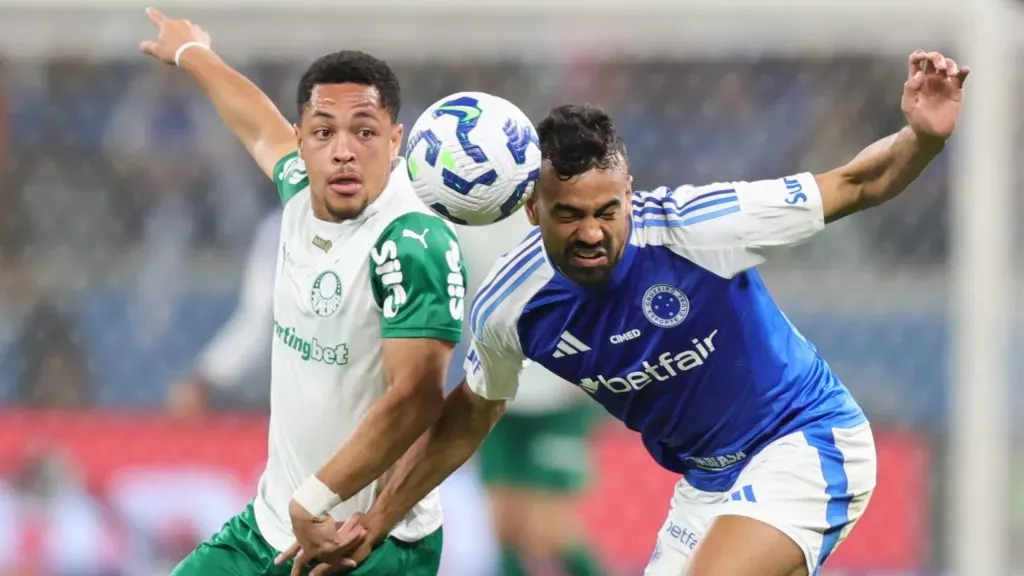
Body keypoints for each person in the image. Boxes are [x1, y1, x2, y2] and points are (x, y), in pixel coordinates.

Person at [333, 50, 969, 576]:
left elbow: (855, 183)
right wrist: (376, 521)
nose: (591, 233)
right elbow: (470, 413)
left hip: (805, 439)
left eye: (607, 211)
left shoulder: (700, 228)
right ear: (531, 210)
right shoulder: (510, 306)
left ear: (630, 194)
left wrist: (922, 137)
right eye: (568, 215)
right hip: (706, 485)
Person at [139, 9, 468, 576]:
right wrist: (192, 53)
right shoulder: (297, 191)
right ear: (301, 140)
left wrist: (315, 500)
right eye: (324, 132)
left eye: (365, 132)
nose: (343, 150)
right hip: (272, 524)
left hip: (366, 543)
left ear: (396, 141)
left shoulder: (412, 242)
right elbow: (255, 122)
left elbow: (417, 397)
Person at [460, 214, 606, 576]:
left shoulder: (552, 212)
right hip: (494, 393)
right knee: (504, 526)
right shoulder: (457, 218)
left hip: (557, 395)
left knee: (547, 530)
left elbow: (601, 289)